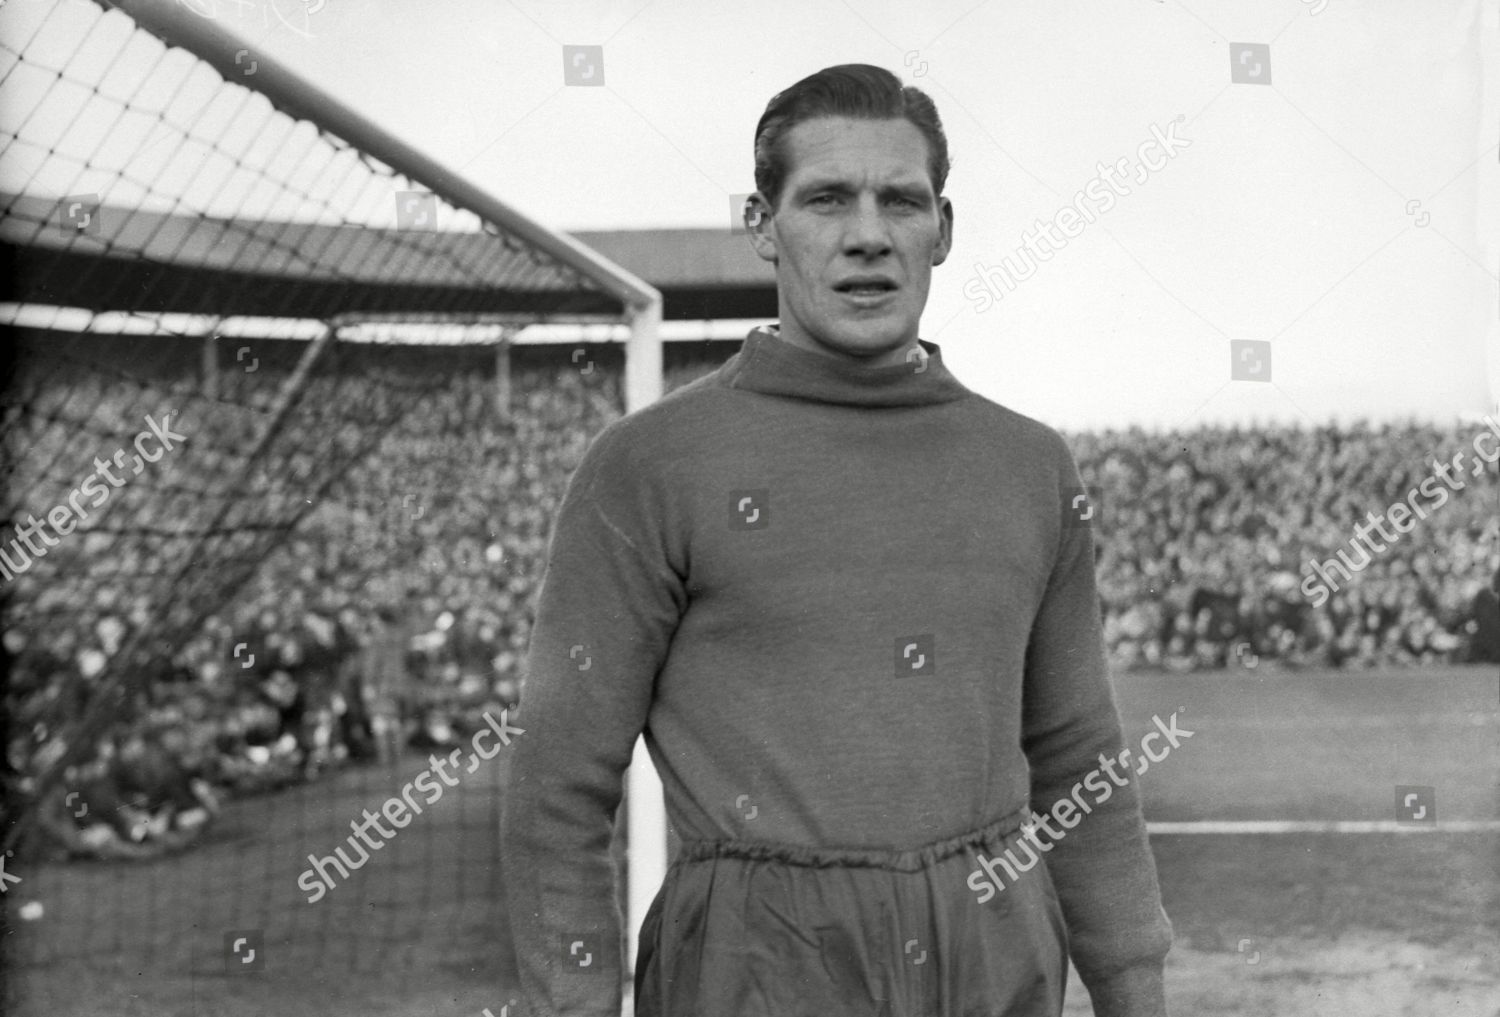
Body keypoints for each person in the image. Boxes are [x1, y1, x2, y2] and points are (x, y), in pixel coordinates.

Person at [501, 63, 1172, 1017]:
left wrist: (1133, 988)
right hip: (754, 962)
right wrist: (571, 1003)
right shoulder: (648, 464)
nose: (868, 234)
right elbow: (559, 783)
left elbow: (1076, 751)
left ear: (943, 229)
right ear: (762, 225)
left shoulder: (1028, 465)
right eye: (825, 199)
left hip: (993, 946)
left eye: (901, 200)